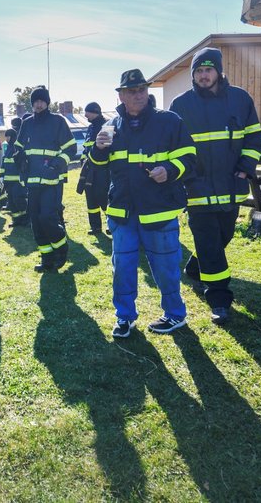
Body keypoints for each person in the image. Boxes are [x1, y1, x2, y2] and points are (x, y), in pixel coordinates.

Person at [90, 70, 196, 337]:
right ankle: (124, 317)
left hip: (159, 211)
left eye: (142, 90)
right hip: (122, 212)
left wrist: (170, 170)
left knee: (165, 269)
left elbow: (190, 157)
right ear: (121, 95)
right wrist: (98, 149)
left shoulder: (169, 121)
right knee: (122, 270)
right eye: (131, 91)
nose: (138, 95)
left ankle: (175, 315)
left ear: (148, 92)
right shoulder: (111, 126)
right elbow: (99, 166)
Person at [170, 47, 261, 326]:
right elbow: (173, 146)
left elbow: (253, 138)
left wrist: (245, 169)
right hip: (196, 189)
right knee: (210, 243)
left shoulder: (241, 99)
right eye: (198, 71)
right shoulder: (181, 104)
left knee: (223, 237)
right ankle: (219, 300)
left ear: (219, 71)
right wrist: (184, 176)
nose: (203, 75)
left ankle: (197, 266)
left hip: (231, 185)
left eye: (208, 70)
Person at [15, 86, 77, 272]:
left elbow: (71, 148)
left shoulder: (57, 121)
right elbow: (18, 147)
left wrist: (56, 165)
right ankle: (47, 259)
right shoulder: (27, 123)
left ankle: (61, 248)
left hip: (52, 181)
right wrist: (20, 159)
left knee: (48, 217)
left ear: (47, 102)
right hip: (33, 181)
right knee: (36, 220)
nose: (39, 104)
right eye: (35, 101)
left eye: (42, 101)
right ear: (32, 103)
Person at [78, 102, 110, 235]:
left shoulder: (107, 126)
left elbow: (107, 149)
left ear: (95, 111)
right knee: (90, 198)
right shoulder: (90, 128)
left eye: (87, 112)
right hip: (89, 170)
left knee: (105, 197)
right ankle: (95, 227)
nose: (85, 115)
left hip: (103, 170)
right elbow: (87, 147)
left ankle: (111, 224)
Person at [1, 118, 29, 227]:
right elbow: (4, 163)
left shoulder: (17, 148)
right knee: (11, 202)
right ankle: (16, 220)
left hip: (17, 181)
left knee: (19, 201)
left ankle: (25, 220)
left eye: (7, 136)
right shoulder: (8, 148)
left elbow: (21, 164)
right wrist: (2, 176)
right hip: (8, 181)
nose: (6, 138)